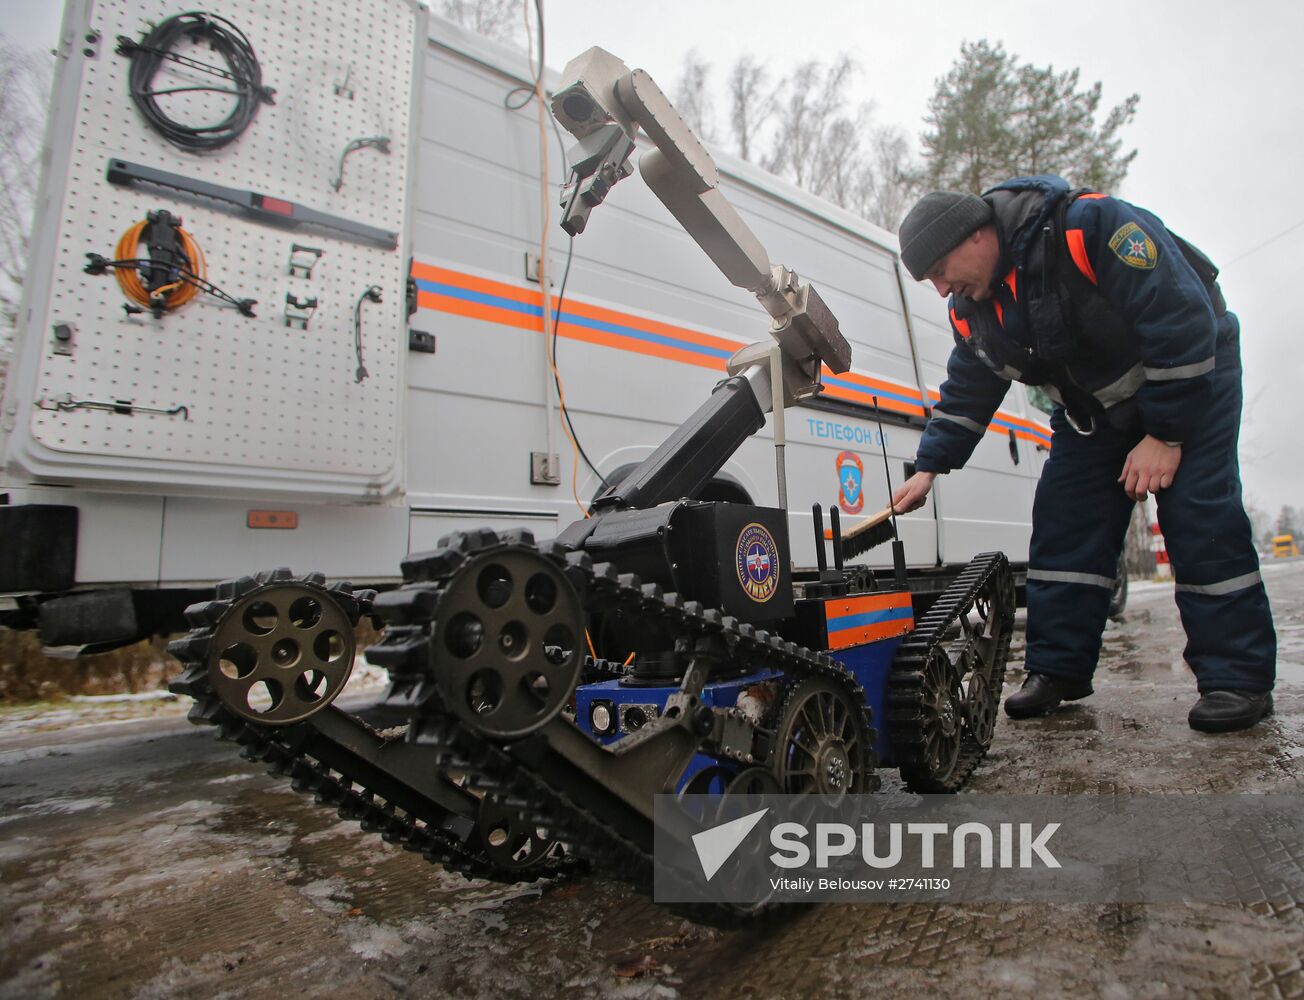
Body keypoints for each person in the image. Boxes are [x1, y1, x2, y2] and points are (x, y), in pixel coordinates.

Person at [890, 175, 1275, 732]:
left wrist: (1166, 435)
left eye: (940, 272)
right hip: (1094, 406)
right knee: (1065, 523)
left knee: (1199, 518)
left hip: (1191, 376)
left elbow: (1182, 320)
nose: (942, 289)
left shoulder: (1091, 229)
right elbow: (970, 385)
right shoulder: (974, 310)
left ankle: (1237, 680)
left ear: (975, 236)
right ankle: (1058, 671)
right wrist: (929, 465)